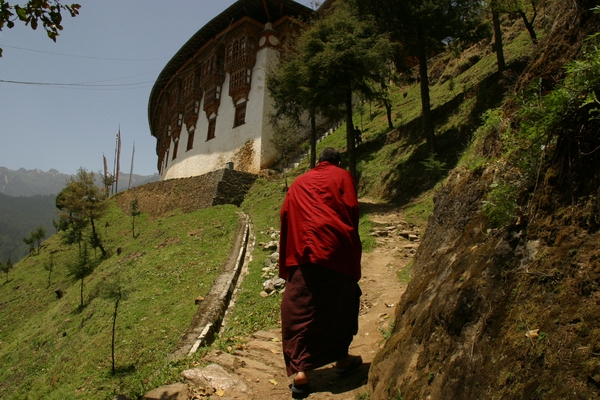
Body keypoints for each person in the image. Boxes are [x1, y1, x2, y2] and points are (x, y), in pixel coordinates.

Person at [279, 147, 363, 398]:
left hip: (302, 251)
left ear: (318, 162)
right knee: (340, 302)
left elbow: (285, 214)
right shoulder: (343, 176)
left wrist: (290, 249)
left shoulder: (299, 181)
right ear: (337, 162)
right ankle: (342, 359)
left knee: (299, 308)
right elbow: (352, 208)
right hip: (334, 248)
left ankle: (301, 373)